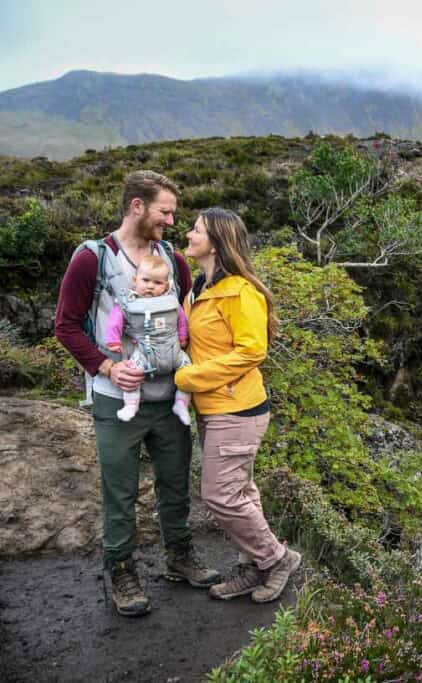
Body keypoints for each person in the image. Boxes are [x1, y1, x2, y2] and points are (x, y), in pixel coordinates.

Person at [55, 170, 220, 618]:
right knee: (120, 489)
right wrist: (107, 366)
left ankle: (180, 557)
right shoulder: (93, 259)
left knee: (174, 483)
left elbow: (183, 327)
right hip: (115, 399)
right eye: (165, 211)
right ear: (136, 207)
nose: (171, 221)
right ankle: (122, 570)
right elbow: (66, 326)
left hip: (170, 398)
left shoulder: (173, 261)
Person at [175, 207, 301, 603]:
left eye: (196, 230)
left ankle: (276, 559)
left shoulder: (241, 292)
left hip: (238, 410)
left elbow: (252, 351)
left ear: (216, 241)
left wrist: (187, 378)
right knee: (241, 492)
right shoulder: (199, 287)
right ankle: (255, 566)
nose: (189, 234)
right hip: (213, 408)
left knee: (220, 496)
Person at [102, 254, 192, 425]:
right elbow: (116, 320)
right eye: (146, 280)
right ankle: (131, 405)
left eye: (158, 283)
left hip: (174, 352)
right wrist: (113, 340)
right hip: (144, 352)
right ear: (135, 280)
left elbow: (181, 320)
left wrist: (182, 337)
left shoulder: (170, 301)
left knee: (187, 372)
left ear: (166, 285)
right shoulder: (129, 302)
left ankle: (181, 404)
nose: (150, 286)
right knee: (132, 372)